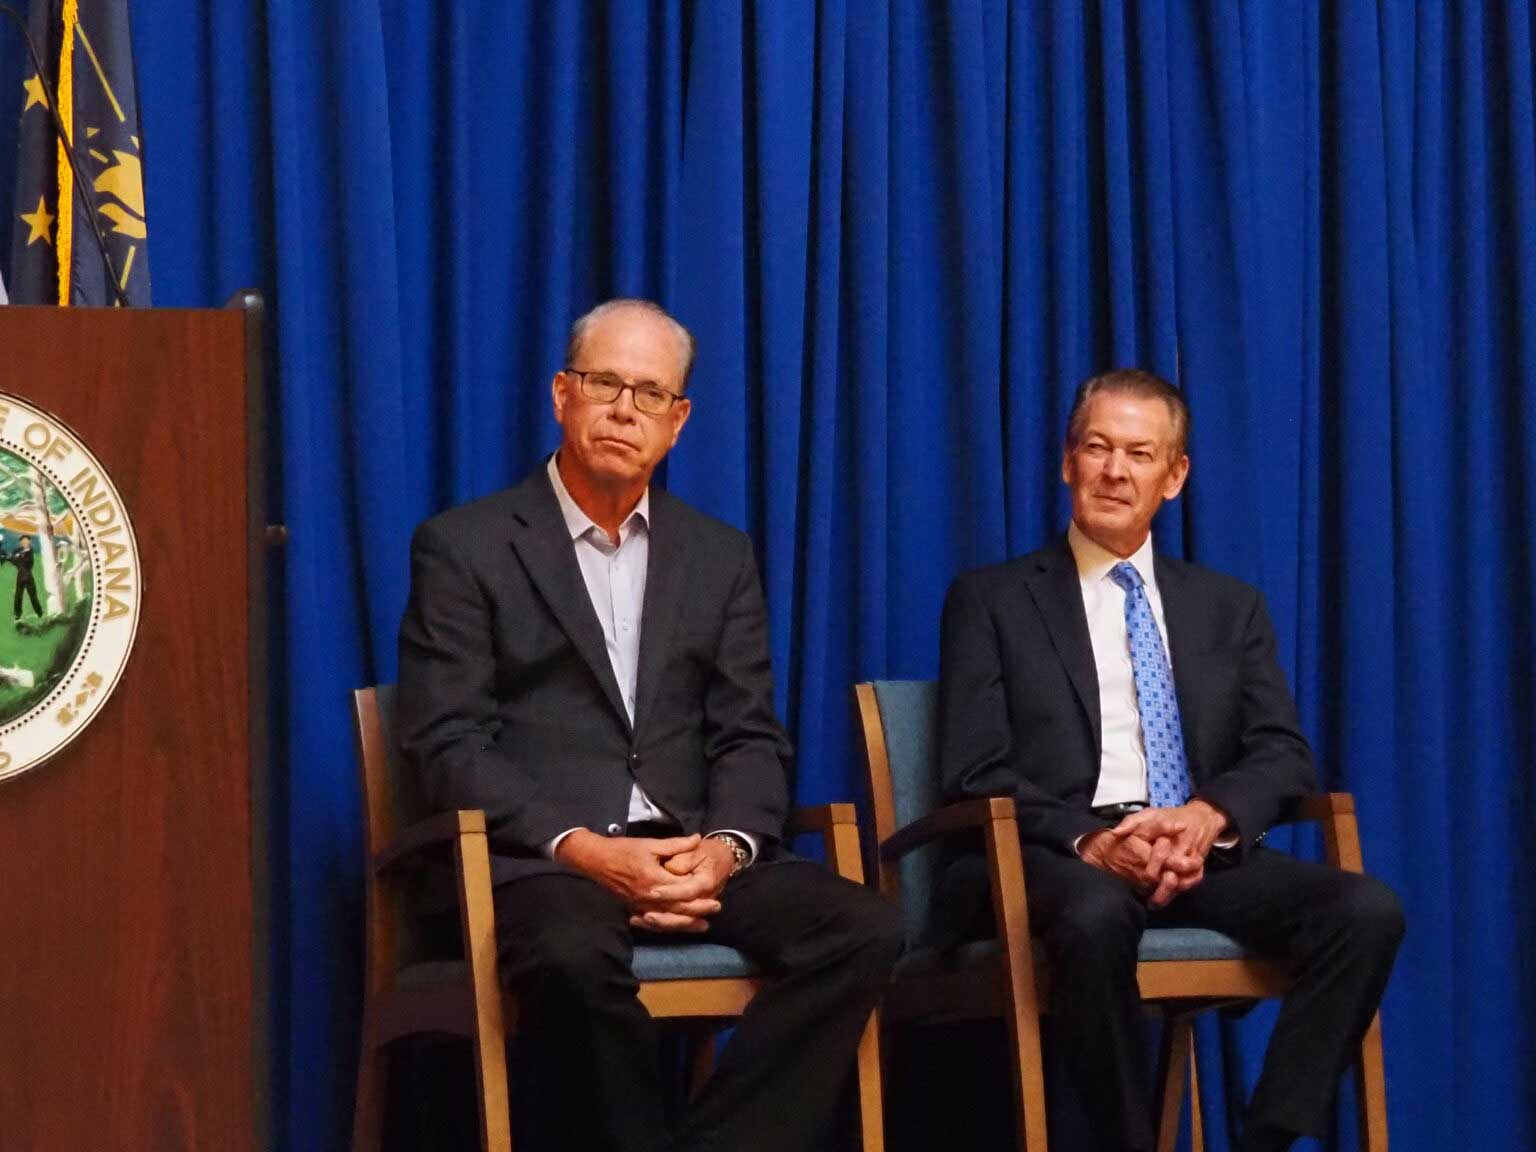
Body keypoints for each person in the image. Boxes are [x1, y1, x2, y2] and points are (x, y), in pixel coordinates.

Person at [397, 298, 903, 1152]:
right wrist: (588, 852)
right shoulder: (465, 546)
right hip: (544, 864)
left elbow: (749, 734)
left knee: (865, 928)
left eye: (650, 394)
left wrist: (725, 850)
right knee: (570, 957)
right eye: (605, 384)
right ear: (562, 394)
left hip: (688, 851)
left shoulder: (718, 555)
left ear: (679, 420)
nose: (625, 410)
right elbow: (447, 743)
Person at [936, 368, 1403, 1152]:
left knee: (1366, 912)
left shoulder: (1229, 606)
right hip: (1056, 853)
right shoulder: (991, 599)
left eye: (1139, 454)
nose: (1115, 471)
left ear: (1175, 476)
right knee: (1095, 913)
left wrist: (1207, 817)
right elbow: (973, 768)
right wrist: (1093, 841)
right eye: (1097, 448)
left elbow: (1282, 752)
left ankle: (1267, 1140)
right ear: (1068, 463)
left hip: (1193, 854)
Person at [10, 535, 42, 621]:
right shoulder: (17, 550)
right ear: (20, 542)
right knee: (18, 596)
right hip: (20, 576)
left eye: (26, 541)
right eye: (23, 541)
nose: (25, 542)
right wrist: (18, 557)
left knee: (33, 595)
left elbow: (29, 563)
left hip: (28, 576)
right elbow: (13, 561)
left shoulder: (30, 551)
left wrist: (19, 557)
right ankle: (17, 614)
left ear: (29, 542)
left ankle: (39, 613)